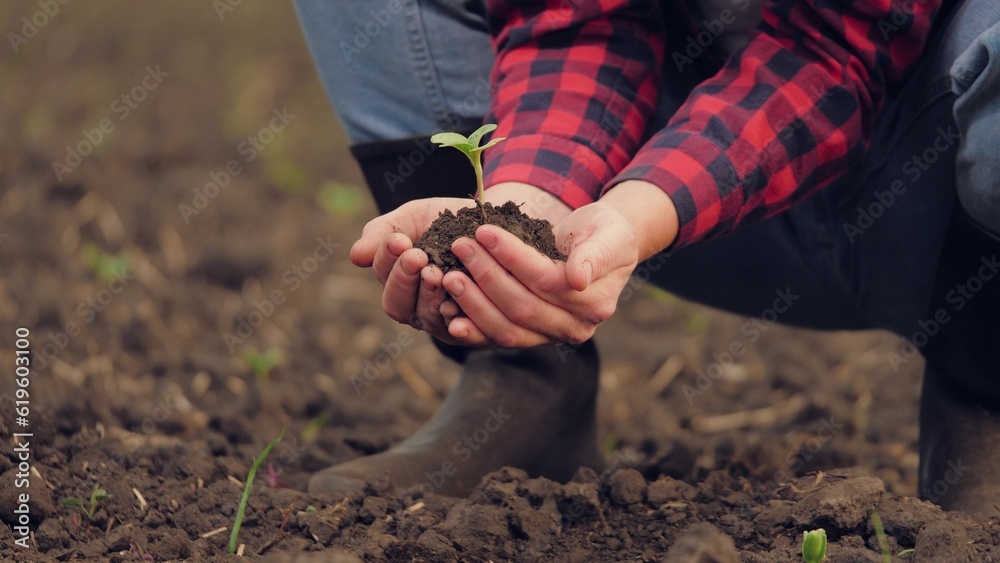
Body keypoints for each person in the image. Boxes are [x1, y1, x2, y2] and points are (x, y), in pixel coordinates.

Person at [295, 0, 1000, 515]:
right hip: (709, 210)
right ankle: (525, 379)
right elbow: (574, 20)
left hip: (937, 204)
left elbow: (833, 52)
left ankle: (985, 407)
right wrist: (526, 206)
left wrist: (642, 208)